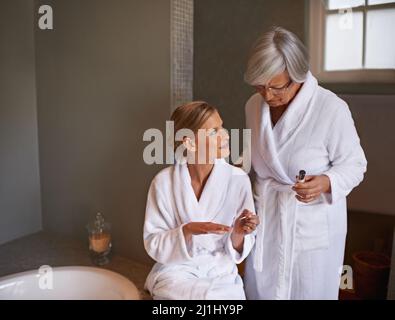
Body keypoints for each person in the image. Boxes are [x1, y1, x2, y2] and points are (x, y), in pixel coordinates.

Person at [243, 27, 367, 299]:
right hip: (267, 216)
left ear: (297, 75)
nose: (267, 95)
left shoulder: (330, 108)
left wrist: (325, 182)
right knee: (261, 288)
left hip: (311, 221)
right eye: (260, 86)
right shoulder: (253, 106)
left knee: (309, 289)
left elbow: (355, 165)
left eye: (276, 86)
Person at [144, 101, 259, 299]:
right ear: (189, 142)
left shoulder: (238, 180)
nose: (225, 134)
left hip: (219, 271)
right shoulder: (163, 182)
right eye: (214, 131)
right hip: (177, 270)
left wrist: (239, 233)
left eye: (221, 126)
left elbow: (241, 245)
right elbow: (153, 240)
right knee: (173, 293)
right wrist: (187, 231)